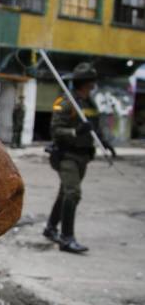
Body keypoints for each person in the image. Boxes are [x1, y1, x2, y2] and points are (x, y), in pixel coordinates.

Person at [43, 62, 114, 253]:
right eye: (91, 81)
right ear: (86, 82)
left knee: (65, 193)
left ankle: (50, 228)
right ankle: (67, 239)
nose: (93, 85)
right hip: (67, 155)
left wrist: (104, 142)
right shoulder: (66, 102)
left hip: (83, 156)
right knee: (73, 193)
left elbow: (95, 127)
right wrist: (75, 131)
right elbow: (55, 130)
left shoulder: (89, 103)